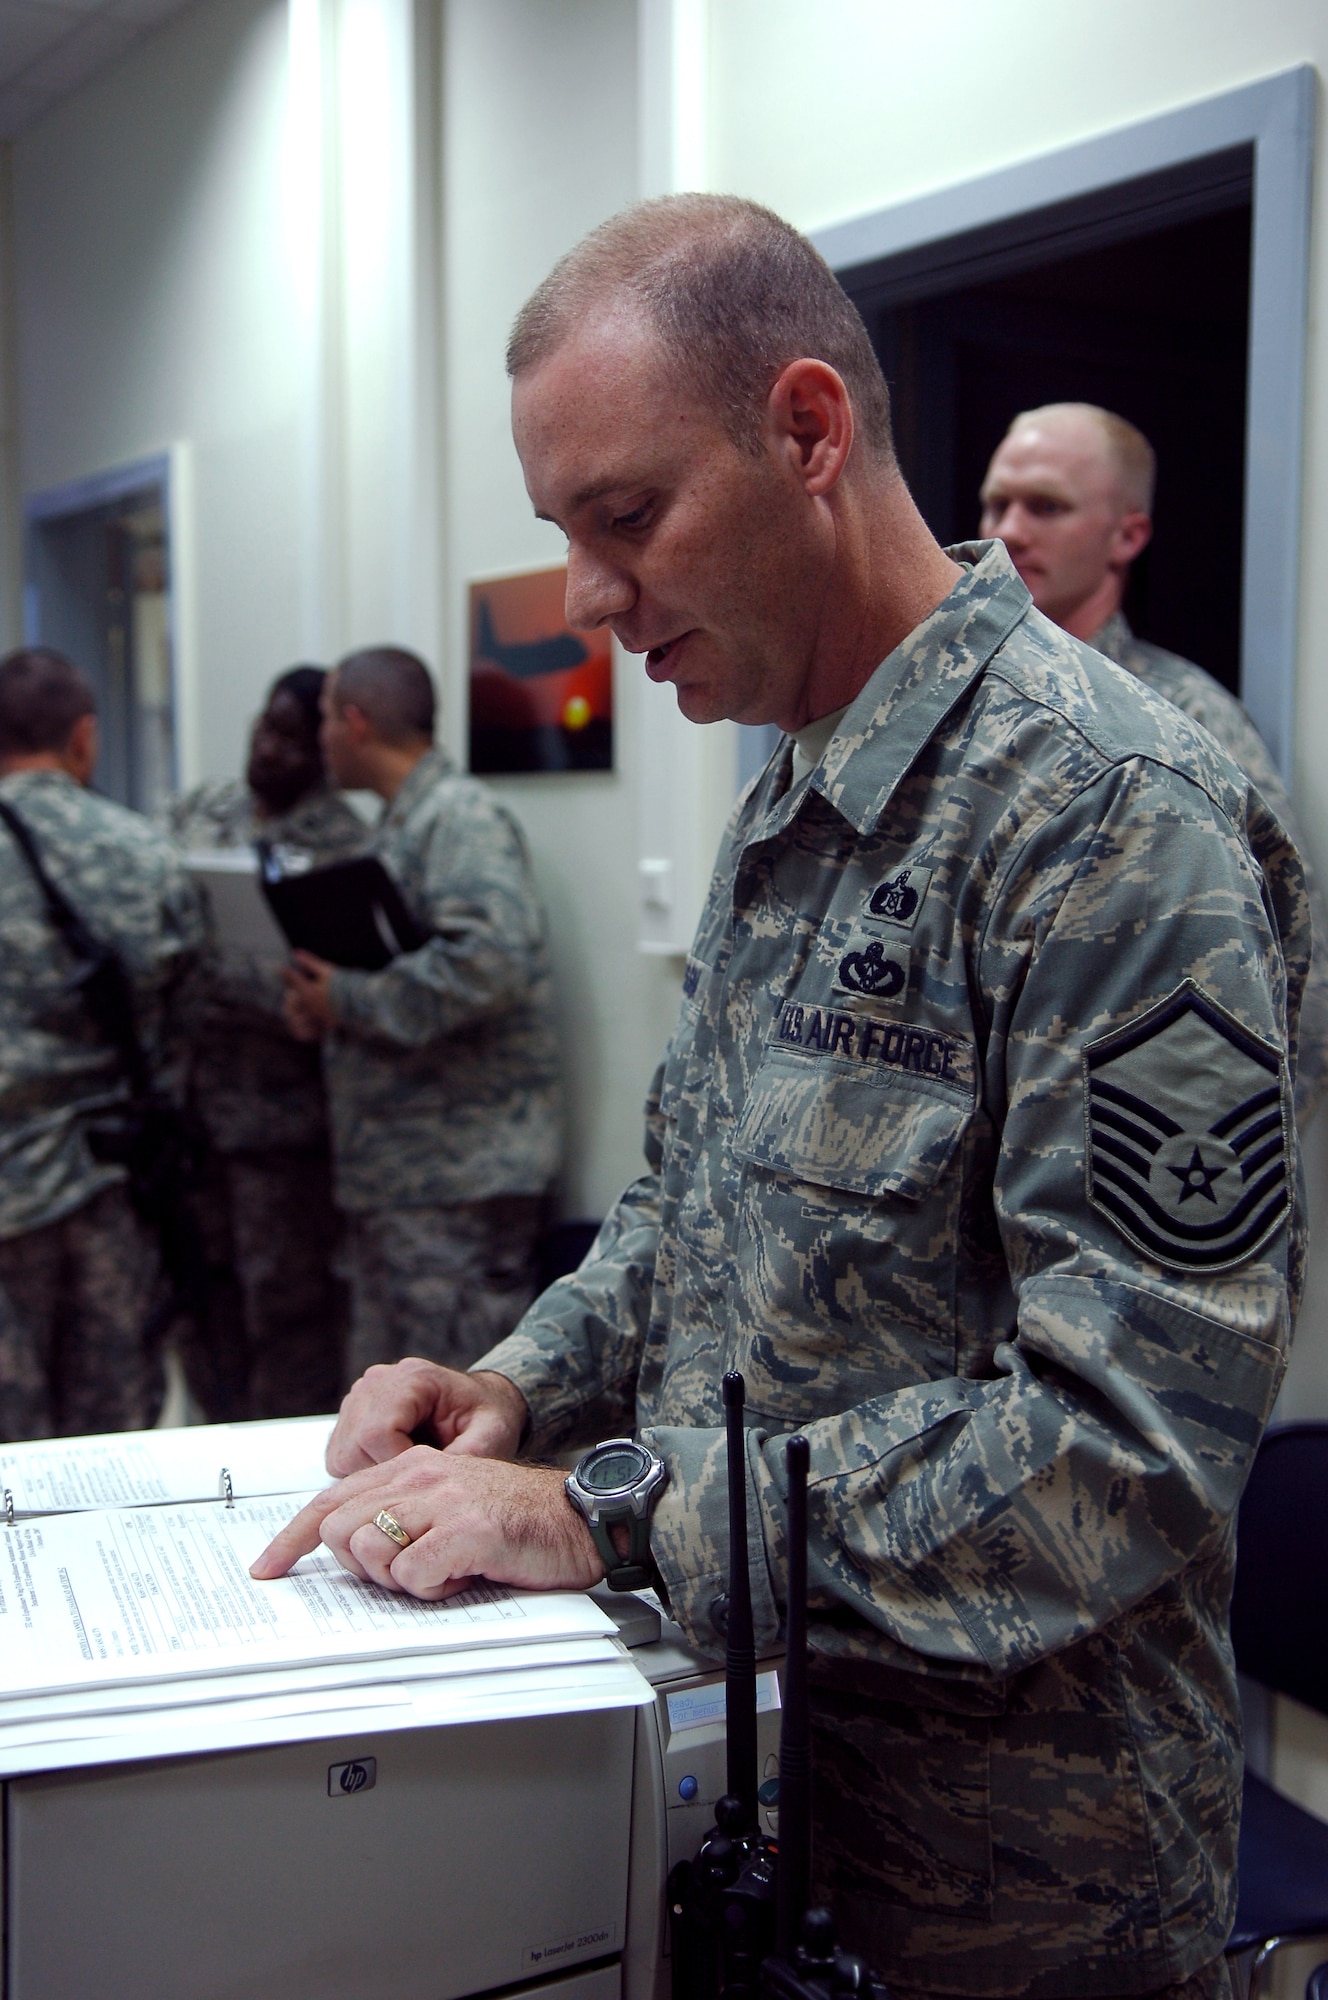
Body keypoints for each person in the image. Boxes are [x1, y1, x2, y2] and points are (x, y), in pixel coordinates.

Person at [255, 199, 1309, 2000]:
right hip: (759, 1809)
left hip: (1018, 1897)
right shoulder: (790, 801)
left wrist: (601, 1516)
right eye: (561, 535)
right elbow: (687, 1211)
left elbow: (1123, 1435)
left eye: (625, 517)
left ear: (807, 432)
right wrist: (517, 1383)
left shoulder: (1116, 819)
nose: (584, 603)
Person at [979, 400, 1328, 1124]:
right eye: (997, 504)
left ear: (1127, 534)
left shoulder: (1185, 723)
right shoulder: (956, 710)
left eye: (1045, 506)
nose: (1009, 530)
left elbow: (1295, 977)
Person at [280, 647, 562, 1380]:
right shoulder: (402, 824)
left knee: (447, 1434)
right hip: (404, 1182)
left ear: (355, 722)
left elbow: (490, 963)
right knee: (389, 1433)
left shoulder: (460, 818)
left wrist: (345, 997)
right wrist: (326, 1005)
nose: (319, 742)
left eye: (322, 721)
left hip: (458, 1187)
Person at [0, 647, 202, 1439]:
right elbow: (184, 1018)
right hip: (105, 1191)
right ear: (84, 737)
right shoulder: (141, 853)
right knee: (107, 1440)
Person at [164, 667, 364, 1419]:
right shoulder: (202, 809)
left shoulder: (343, 841)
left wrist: (206, 970)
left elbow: (324, 984)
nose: (271, 750)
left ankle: (271, 1470)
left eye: (293, 738)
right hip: (191, 1116)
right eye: (265, 729)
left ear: (324, 749)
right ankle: (204, 1453)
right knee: (199, 1294)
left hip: (281, 1131)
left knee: (288, 1310)